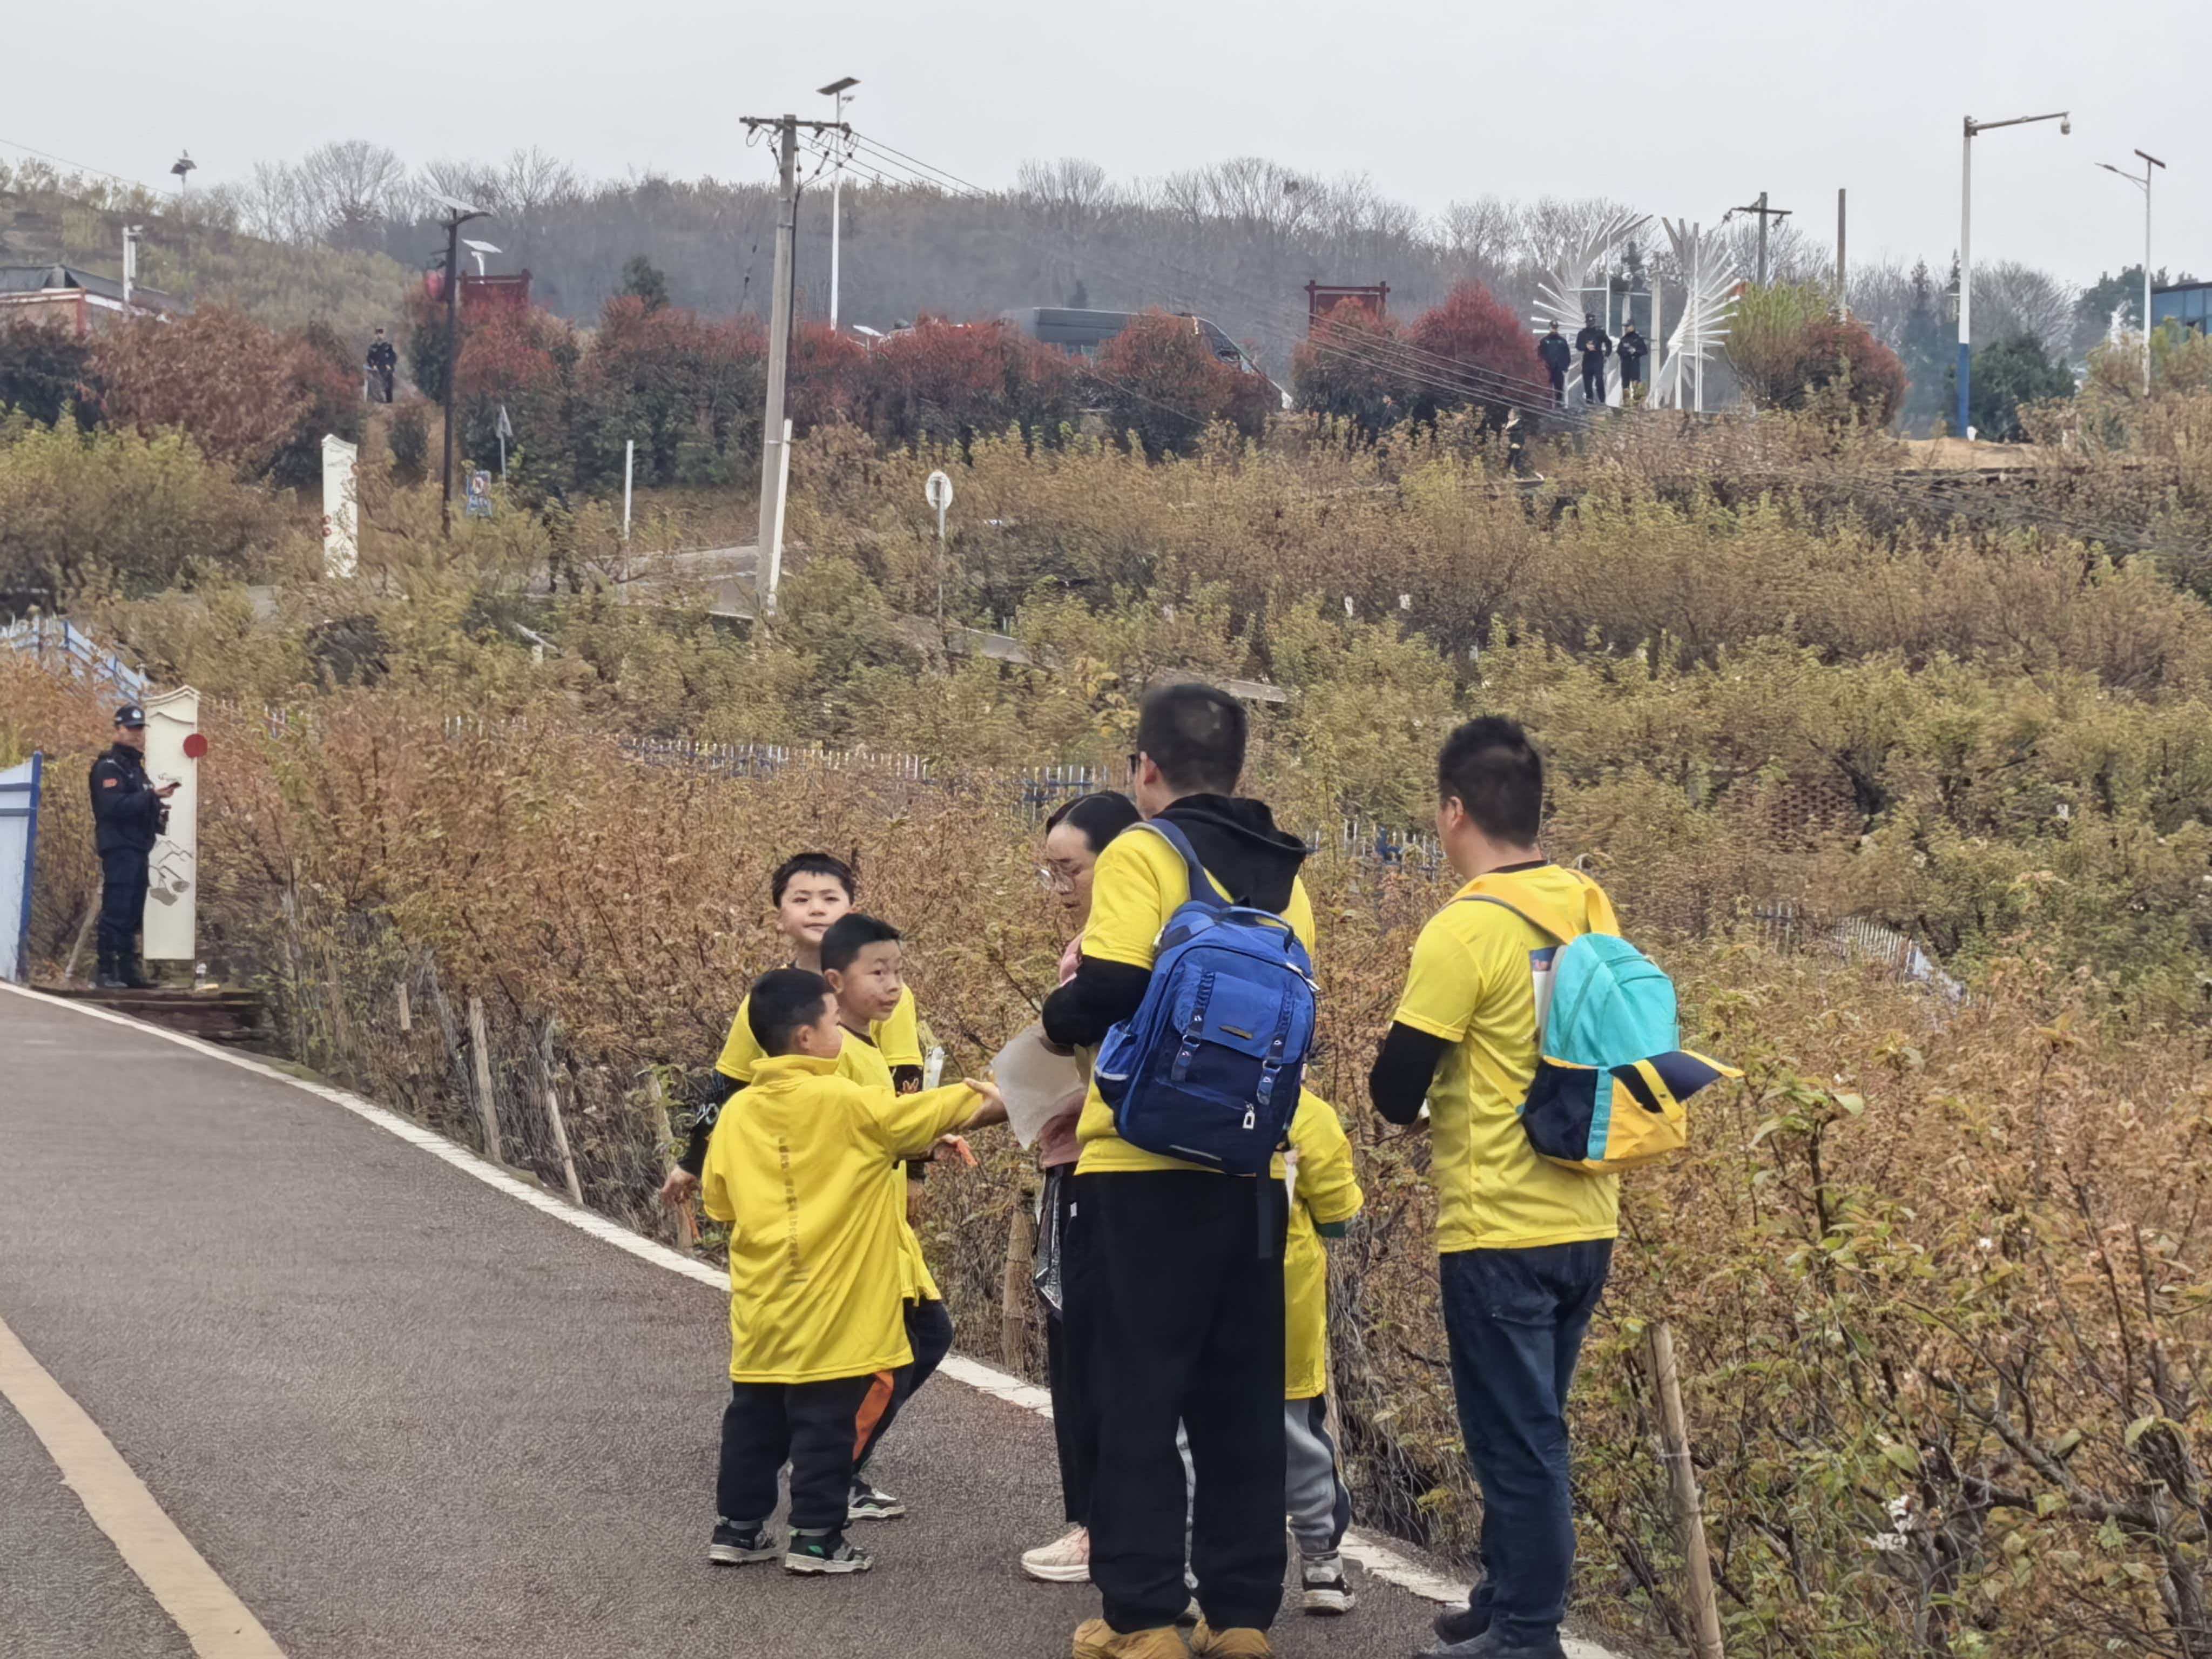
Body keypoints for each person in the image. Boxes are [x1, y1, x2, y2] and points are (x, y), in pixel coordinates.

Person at [1044, 682, 1312, 1659]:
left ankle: (1141, 1617)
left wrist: (1052, 1019)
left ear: (1144, 770)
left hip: (1139, 1162)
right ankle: (1240, 1616)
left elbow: (1112, 985)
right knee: (1241, 1395)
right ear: (1239, 769)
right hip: (1250, 1168)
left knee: (1134, 1389)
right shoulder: (1289, 877)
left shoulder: (1142, 852)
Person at [1368, 717, 1623, 1659]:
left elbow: (1397, 1088)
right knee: (1530, 1427)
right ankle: (1502, 1592)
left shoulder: (1464, 928)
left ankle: (1525, 1633)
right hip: (1587, 1215)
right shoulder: (1592, 908)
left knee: (1519, 1443)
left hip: (1496, 1225)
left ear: (1453, 811)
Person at [700, 968, 1005, 1578]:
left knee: (754, 1417)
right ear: (809, 1038)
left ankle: (737, 1529)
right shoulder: (848, 1101)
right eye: (834, 1021)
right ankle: (816, 1538)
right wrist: (998, 1093)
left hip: (765, 1301)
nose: (842, 1029)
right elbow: (922, 1114)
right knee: (825, 1421)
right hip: (836, 1302)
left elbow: (720, 1202)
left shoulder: (736, 1115)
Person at [1022, 790, 1143, 1587]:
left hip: (1089, 1164)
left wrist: (1013, 1094)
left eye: (1070, 869)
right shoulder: (1187, 929)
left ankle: (1096, 1524)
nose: (1060, 885)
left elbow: (1078, 1062)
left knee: (1082, 1344)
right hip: (1166, 1171)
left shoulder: (1102, 953)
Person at [662, 853, 926, 1204]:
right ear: (779, 918)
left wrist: (914, 1174)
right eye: (801, 900)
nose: (816, 909)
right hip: (789, 1173)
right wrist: (692, 1162)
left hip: (870, 1175)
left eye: (830, 899)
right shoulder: (769, 996)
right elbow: (728, 1082)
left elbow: (906, 1081)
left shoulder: (888, 992)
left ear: (851, 913)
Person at [817, 912, 960, 1521]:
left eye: (898, 972)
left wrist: (927, 1142)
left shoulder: (867, 1046)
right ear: (835, 980)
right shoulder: (838, 1054)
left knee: (923, 1339)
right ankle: (829, 1479)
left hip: (886, 1233)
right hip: (859, 1235)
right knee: (898, 1355)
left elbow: (885, 1128)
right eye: (878, 973)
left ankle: (832, 1469)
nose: (893, 986)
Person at [1282, 1089, 1364, 1617]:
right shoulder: (1306, 1112)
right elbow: (1339, 1216)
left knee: (1193, 1438)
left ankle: (1192, 1577)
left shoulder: (1182, 1091)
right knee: (1297, 1435)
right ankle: (1322, 1567)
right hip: (1285, 1304)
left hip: (1195, 1302)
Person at [87, 704, 176, 991]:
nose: (138, 735)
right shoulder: (108, 768)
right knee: (117, 908)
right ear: (118, 730)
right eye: (132, 729)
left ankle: (127, 970)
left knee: (133, 910)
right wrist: (150, 797)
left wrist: (157, 807)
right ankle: (105, 969)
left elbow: (139, 803)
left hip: (138, 847)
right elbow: (113, 807)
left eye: (140, 730)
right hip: (119, 847)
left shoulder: (135, 770)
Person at [1574, 314, 1611, 406]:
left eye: (1592, 322)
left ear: (1594, 322)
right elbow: (1578, 346)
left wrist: (1607, 355)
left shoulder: (1600, 332)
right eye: (1589, 322)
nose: (1591, 324)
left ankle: (1602, 401)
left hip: (1598, 359)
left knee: (1599, 381)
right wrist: (1586, 347)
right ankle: (1590, 401)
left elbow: (1609, 343)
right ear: (1586, 322)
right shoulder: (1582, 334)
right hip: (1587, 360)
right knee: (1587, 382)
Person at [1536, 325, 1572, 408]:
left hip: (1559, 369)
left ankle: (1559, 407)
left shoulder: (1562, 341)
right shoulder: (1544, 341)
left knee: (1559, 389)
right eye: (1552, 328)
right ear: (1550, 328)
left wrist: (1565, 367)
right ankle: (1547, 407)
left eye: (1555, 328)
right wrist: (1541, 367)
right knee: (1547, 389)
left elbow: (1567, 355)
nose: (1554, 330)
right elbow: (1539, 354)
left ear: (1557, 329)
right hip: (1547, 369)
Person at [1615, 321, 1648, 406]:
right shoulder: (1624, 339)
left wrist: (1635, 352)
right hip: (1625, 364)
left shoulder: (1638, 339)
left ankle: (1636, 404)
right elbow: (1619, 351)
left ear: (1633, 327)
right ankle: (1626, 404)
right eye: (1625, 327)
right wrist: (1626, 352)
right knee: (1625, 385)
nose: (1626, 328)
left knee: (1636, 384)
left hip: (1634, 364)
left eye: (1628, 326)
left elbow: (1644, 351)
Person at [366, 328, 397, 403]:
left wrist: (389, 364)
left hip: (387, 369)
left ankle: (389, 402)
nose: (379, 336)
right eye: (377, 334)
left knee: (388, 386)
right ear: (375, 336)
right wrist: (373, 365)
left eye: (380, 334)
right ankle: (377, 401)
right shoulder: (372, 347)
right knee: (376, 384)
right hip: (377, 369)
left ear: (383, 335)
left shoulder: (388, 346)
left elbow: (393, 357)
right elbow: (369, 358)